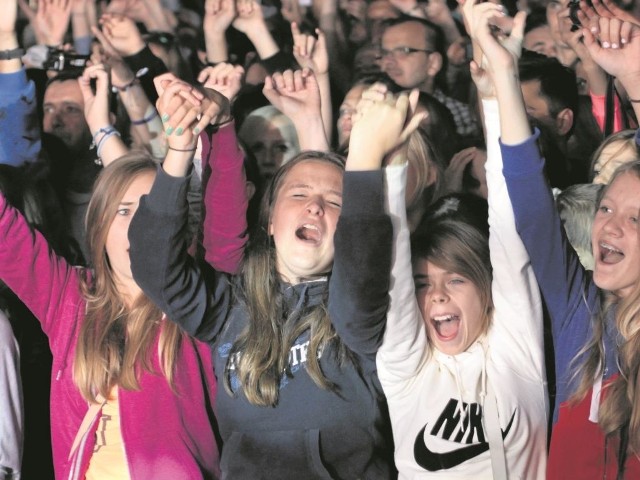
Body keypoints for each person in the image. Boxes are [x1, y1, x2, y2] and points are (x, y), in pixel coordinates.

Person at [126, 73, 429, 479]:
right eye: (299, 194)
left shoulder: (364, 308)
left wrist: (364, 161)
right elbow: (154, 267)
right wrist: (180, 147)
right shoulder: (232, 305)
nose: (315, 208)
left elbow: (360, 272)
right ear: (269, 220)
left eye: (335, 201)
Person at [0, 75, 248, 479]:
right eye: (123, 211)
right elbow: (6, 235)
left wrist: (218, 129)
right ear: (97, 226)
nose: (139, 227)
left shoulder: (198, 303)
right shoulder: (68, 297)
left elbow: (225, 227)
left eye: (152, 209)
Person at [376, 3, 548, 478]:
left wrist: (496, 94)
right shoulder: (405, 368)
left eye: (455, 279)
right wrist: (389, 166)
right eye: (423, 283)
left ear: (486, 288)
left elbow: (511, 228)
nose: (438, 296)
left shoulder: (516, 349)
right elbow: (390, 267)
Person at [502, 10, 640, 479]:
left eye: (635, 218)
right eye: (605, 208)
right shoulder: (577, 308)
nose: (610, 226)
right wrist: (502, 73)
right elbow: (529, 203)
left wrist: (635, 79)